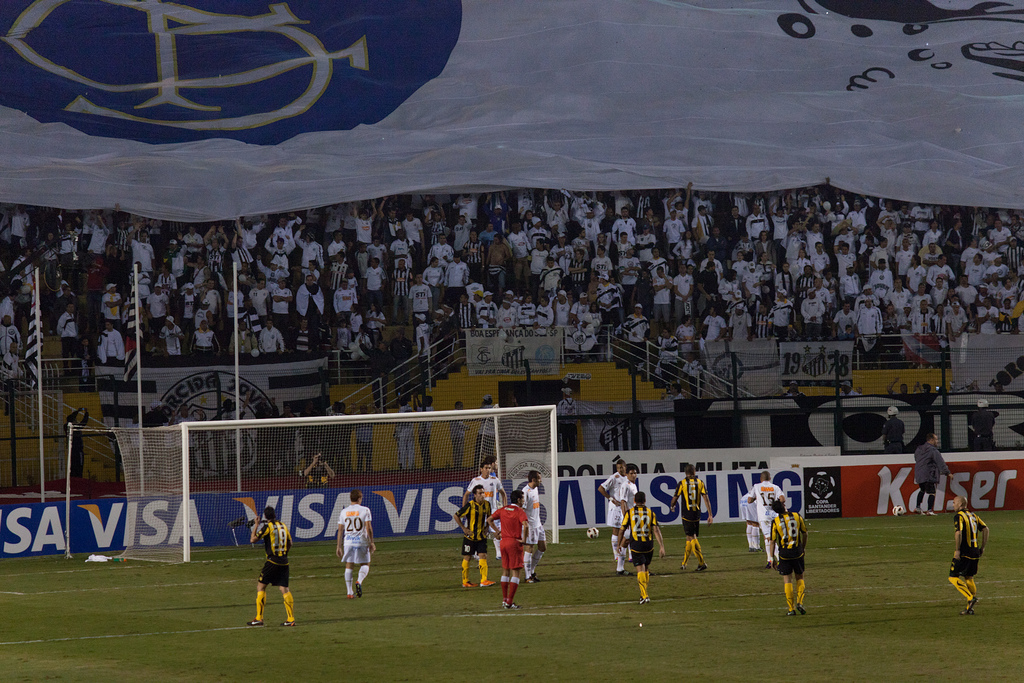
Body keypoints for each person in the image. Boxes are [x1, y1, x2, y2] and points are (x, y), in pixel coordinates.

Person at [247, 506, 295, 627]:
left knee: (261, 587)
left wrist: (256, 525)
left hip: (272, 562)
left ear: (265, 516)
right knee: (284, 589)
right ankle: (290, 619)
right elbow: (290, 542)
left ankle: (259, 618)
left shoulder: (267, 527)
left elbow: (253, 540)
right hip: (284, 561)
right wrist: (285, 553)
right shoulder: (283, 525)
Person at [617, 491, 666, 605]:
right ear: (645, 501)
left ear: (634, 501)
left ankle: (644, 595)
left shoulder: (630, 513)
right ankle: (643, 594)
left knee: (640, 570)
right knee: (646, 569)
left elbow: (622, 529)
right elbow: (656, 530)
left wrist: (619, 544)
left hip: (636, 545)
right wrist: (661, 546)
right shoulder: (650, 513)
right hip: (649, 545)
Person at [948, 495, 989, 615]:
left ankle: (970, 597)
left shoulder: (959, 516)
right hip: (975, 551)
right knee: (969, 577)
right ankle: (969, 608)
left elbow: (958, 533)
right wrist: (982, 547)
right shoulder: (973, 515)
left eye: (954, 502)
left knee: (953, 577)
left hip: (964, 552)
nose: (953, 505)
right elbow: (986, 529)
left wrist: (957, 550)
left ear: (960, 504)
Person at [669, 464, 713, 572]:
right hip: (696, 514)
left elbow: (675, 497)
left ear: (686, 473)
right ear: (694, 472)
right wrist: (710, 514)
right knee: (689, 537)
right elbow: (706, 499)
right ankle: (684, 563)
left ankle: (702, 562)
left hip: (686, 514)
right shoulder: (700, 482)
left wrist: (672, 506)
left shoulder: (682, 483)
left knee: (692, 537)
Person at [491, 489, 529, 609]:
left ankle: (504, 600)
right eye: (522, 498)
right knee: (516, 572)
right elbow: (526, 525)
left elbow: (489, 520)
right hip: (514, 543)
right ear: (518, 500)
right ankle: (509, 602)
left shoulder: (503, 509)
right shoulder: (519, 511)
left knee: (505, 571)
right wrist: (524, 539)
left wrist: (497, 532)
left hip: (503, 543)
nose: (523, 501)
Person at [454, 484, 498, 588]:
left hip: (481, 536)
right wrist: (464, 529)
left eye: (483, 493)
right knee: (467, 557)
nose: (482, 495)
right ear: (474, 495)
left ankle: (484, 580)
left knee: (483, 556)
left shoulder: (487, 504)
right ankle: (465, 581)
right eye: (480, 493)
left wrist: (487, 528)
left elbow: (489, 518)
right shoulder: (470, 505)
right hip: (470, 537)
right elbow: (456, 515)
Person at [768, 498, 808, 616]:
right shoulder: (797, 516)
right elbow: (805, 533)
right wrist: (803, 547)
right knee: (800, 577)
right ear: (783, 506)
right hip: (797, 552)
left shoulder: (775, 521)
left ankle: (791, 609)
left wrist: (771, 558)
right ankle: (800, 602)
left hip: (784, 554)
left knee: (787, 580)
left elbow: (772, 541)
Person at [463, 455, 507, 560]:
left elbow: (503, 494)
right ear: (481, 469)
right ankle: (476, 553)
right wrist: (465, 510)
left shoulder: (495, 480)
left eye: (489, 468)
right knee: (480, 533)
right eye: (486, 468)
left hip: (493, 511)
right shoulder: (476, 480)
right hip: (479, 512)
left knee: (498, 531)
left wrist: (505, 508)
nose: (487, 470)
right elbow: (466, 495)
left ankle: (499, 554)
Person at [336, 489, 375, 599]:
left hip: (348, 542)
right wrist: (371, 542)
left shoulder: (344, 511)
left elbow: (340, 530)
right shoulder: (365, 510)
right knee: (365, 564)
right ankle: (359, 581)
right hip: (361, 541)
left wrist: (338, 546)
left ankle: (349, 592)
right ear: (359, 498)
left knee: (349, 565)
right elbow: (369, 528)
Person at [598, 461, 632, 575]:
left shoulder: (627, 478)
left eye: (622, 467)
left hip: (624, 507)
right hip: (616, 508)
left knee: (628, 530)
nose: (620, 470)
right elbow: (601, 488)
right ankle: (616, 555)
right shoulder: (614, 477)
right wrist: (611, 498)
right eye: (618, 468)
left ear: (625, 468)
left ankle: (629, 555)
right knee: (617, 530)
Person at [747, 471, 784, 568]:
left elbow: (749, 500)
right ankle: (769, 560)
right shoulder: (775, 487)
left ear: (761, 478)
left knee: (769, 538)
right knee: (770, 538)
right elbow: (782, 499)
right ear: (770, 478)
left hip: (764, 516)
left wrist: (757, 498)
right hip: (774, 515)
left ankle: (778, 560)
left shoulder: (756, 486)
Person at [912, 433, 950, 515]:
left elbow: (916, 458)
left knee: (922, 489)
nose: (937, 441)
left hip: (919, 473)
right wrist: (947, 472)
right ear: (931, 440)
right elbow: (940, 462)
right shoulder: (933, 451)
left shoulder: (919, 449)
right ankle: (929, 510)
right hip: (929, 473)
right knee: (932, 492)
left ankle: (918, 507)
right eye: (936, 439)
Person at [522, 470, 547, 583]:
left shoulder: (535, 488)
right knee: (529, 549)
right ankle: (528, 577)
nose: (540, 481)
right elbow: (521, 509)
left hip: (538, 524)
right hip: (530, 525)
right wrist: (524, 525)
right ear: (533, 480)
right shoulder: (525, 492)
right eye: (539, 479)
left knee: (542, 547)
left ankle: (531, 571)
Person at [65, 407, 89, 478]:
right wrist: (86, 414)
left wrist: (77, 411)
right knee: (79, 467)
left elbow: (70, 418)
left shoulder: (66, 427)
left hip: (71, 450)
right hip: (78, 450)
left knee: (72, 467)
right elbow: (83, 423)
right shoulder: (74, 428)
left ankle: (73, 480)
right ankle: (78, 479)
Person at [556, 386, 578, 452]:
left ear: (565, 394)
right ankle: (573, 455)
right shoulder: (575, 403)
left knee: (564, 442)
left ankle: (565, 456)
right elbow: (577, 413)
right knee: (573, 442)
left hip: (564, 426)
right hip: (572, 425)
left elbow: (557, 413)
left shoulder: (561, 403)